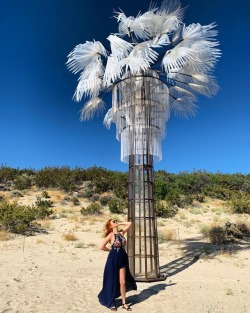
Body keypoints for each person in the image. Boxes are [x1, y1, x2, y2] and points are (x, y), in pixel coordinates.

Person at [98, 219, 137, 311]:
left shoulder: (121, 233)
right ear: (110, 226)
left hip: (123, 258)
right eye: (113, 222)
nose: (115, 222)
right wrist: (110, 250)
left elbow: (130, 223)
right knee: (112, 280)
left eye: (115, 221)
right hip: (113, 259)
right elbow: (101, 247)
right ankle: (111, 303)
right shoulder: (111, 235)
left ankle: (124, 302)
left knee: (123, 281)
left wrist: (120, 223)